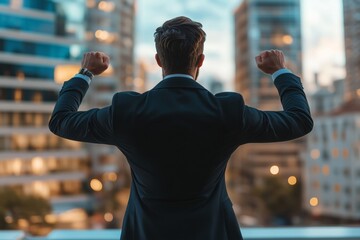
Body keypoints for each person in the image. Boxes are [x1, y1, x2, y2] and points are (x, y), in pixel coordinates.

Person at [49, 16, 313, 240]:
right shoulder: (227, 111)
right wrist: (280, 72)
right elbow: (299, 121)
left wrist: (86, 73)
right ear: (200, 60)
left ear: (158, 60)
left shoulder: (127, 111)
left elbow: (61, 121)